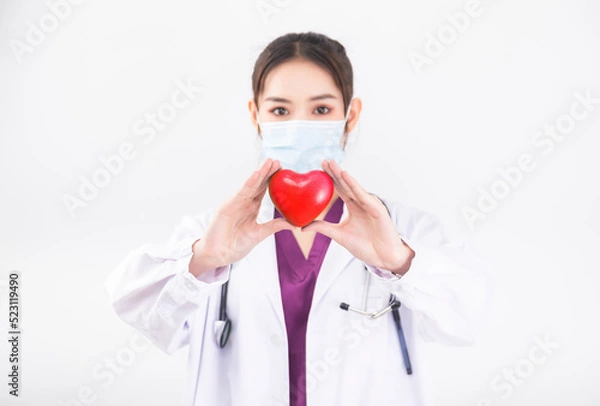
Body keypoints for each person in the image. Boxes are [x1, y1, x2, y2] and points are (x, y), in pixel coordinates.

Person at [104, 31, 495, 406]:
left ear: (350, 115)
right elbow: (132, 306)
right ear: (255, 115)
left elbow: (469, 318)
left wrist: (399, 262)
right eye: (280, 110)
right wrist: (204, 259)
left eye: (321, 109)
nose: (299, 124)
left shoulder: (406, 231)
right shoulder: (210, 233)